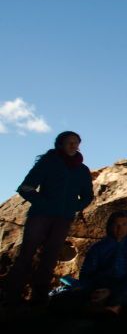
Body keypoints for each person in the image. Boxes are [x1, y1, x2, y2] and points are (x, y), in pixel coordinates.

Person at [3, 131, 94, 306]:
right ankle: (11, 295)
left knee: (51, 256)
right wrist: (44, 204)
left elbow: (87, 195)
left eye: (76, 142)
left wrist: (74, 207)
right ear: (60, 144)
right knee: (27, 254)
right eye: (69, 142)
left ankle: (39, 297)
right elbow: (26, 187)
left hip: (64, 218)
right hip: (40, 216)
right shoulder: (49, 162)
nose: (73, 146)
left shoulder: (82, 170)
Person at [64, 210, 127, 314]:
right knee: (68, 297)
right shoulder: (98, 248)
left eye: (124, 224)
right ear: (110, 226)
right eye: (116, 224)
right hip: (98, 285)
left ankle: (110, 308)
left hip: (122, 286)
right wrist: (96, 288)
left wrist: (111, 291)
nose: (119, 228)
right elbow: (86, 273)